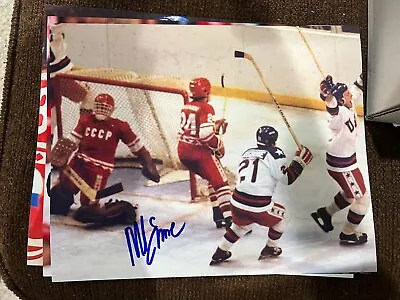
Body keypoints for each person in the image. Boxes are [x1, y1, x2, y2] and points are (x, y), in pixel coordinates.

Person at [49, 93, 160, 224]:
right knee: (59, 197)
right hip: (79, 162)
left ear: (112, 110)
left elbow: (137, 146)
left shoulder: (120, 127)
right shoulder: (86, 120)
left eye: (105, 107)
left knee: (87, 210)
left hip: (99, 169)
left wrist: (148, 163)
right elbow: (73, 140)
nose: (102, 110)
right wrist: (62, 154)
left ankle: (110, 209)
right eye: (99, 106)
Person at [209, 126, 313, 265]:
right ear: (273, 141)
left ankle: (220, 251)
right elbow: (286, 179)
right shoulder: (276, 154)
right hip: (258, 206)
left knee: (241, 226)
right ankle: (270, 247)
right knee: (284, 216)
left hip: (236, 202)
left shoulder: (247, 152)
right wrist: (300, 162)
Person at [311, 74, 370, 245]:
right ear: (341, 101)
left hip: (344, 162)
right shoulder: (338, 116)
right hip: (342, 165)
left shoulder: (348, 102)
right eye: (346, 95)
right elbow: (332, 109)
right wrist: (327, 96)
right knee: (362, 199)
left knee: (350, 194)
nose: (350, 95)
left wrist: (363, 75)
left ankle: (325, 214)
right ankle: (348, 233)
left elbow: (357, 89)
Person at [177, 77, 231, 229]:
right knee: (222, 183)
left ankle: (218, 215)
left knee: (212, 177)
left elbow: (195, 129)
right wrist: (218, 146)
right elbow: (205, 136)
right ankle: (231, 221)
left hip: (183, 153)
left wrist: (214, 125)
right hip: (198, 153)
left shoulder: (187, 106)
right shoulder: (207, 108)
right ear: (206, 91)